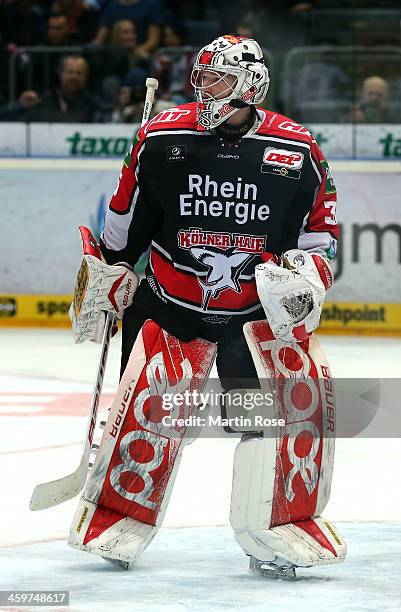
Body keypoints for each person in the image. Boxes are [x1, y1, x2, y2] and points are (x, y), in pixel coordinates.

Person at [67, 35, 346, 576]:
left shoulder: (297, 149)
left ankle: (274, 525)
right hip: (171, 305)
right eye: (201, 77)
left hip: (252, 319)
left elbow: (321, 234)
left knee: (268, 420)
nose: (203, 89)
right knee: (150, 412)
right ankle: (116, 516)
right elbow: (125, 223)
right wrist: (111, 269)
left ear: (250, 86)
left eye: (216, 78)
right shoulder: (161, 135)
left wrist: (307, 275)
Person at [21, 55, 106, 122]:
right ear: (60, 74)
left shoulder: (93, 105)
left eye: (79, 73)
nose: (74, 77)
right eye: (70, 72)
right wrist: (22, 105)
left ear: (85, 77)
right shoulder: (46, 100)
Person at [93, 0, 163, 55]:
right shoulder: (112, 5)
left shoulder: (151, 4)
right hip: (114, 56)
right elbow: (100, 39)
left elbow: (153, 41)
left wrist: (133, 54)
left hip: (140, 57)